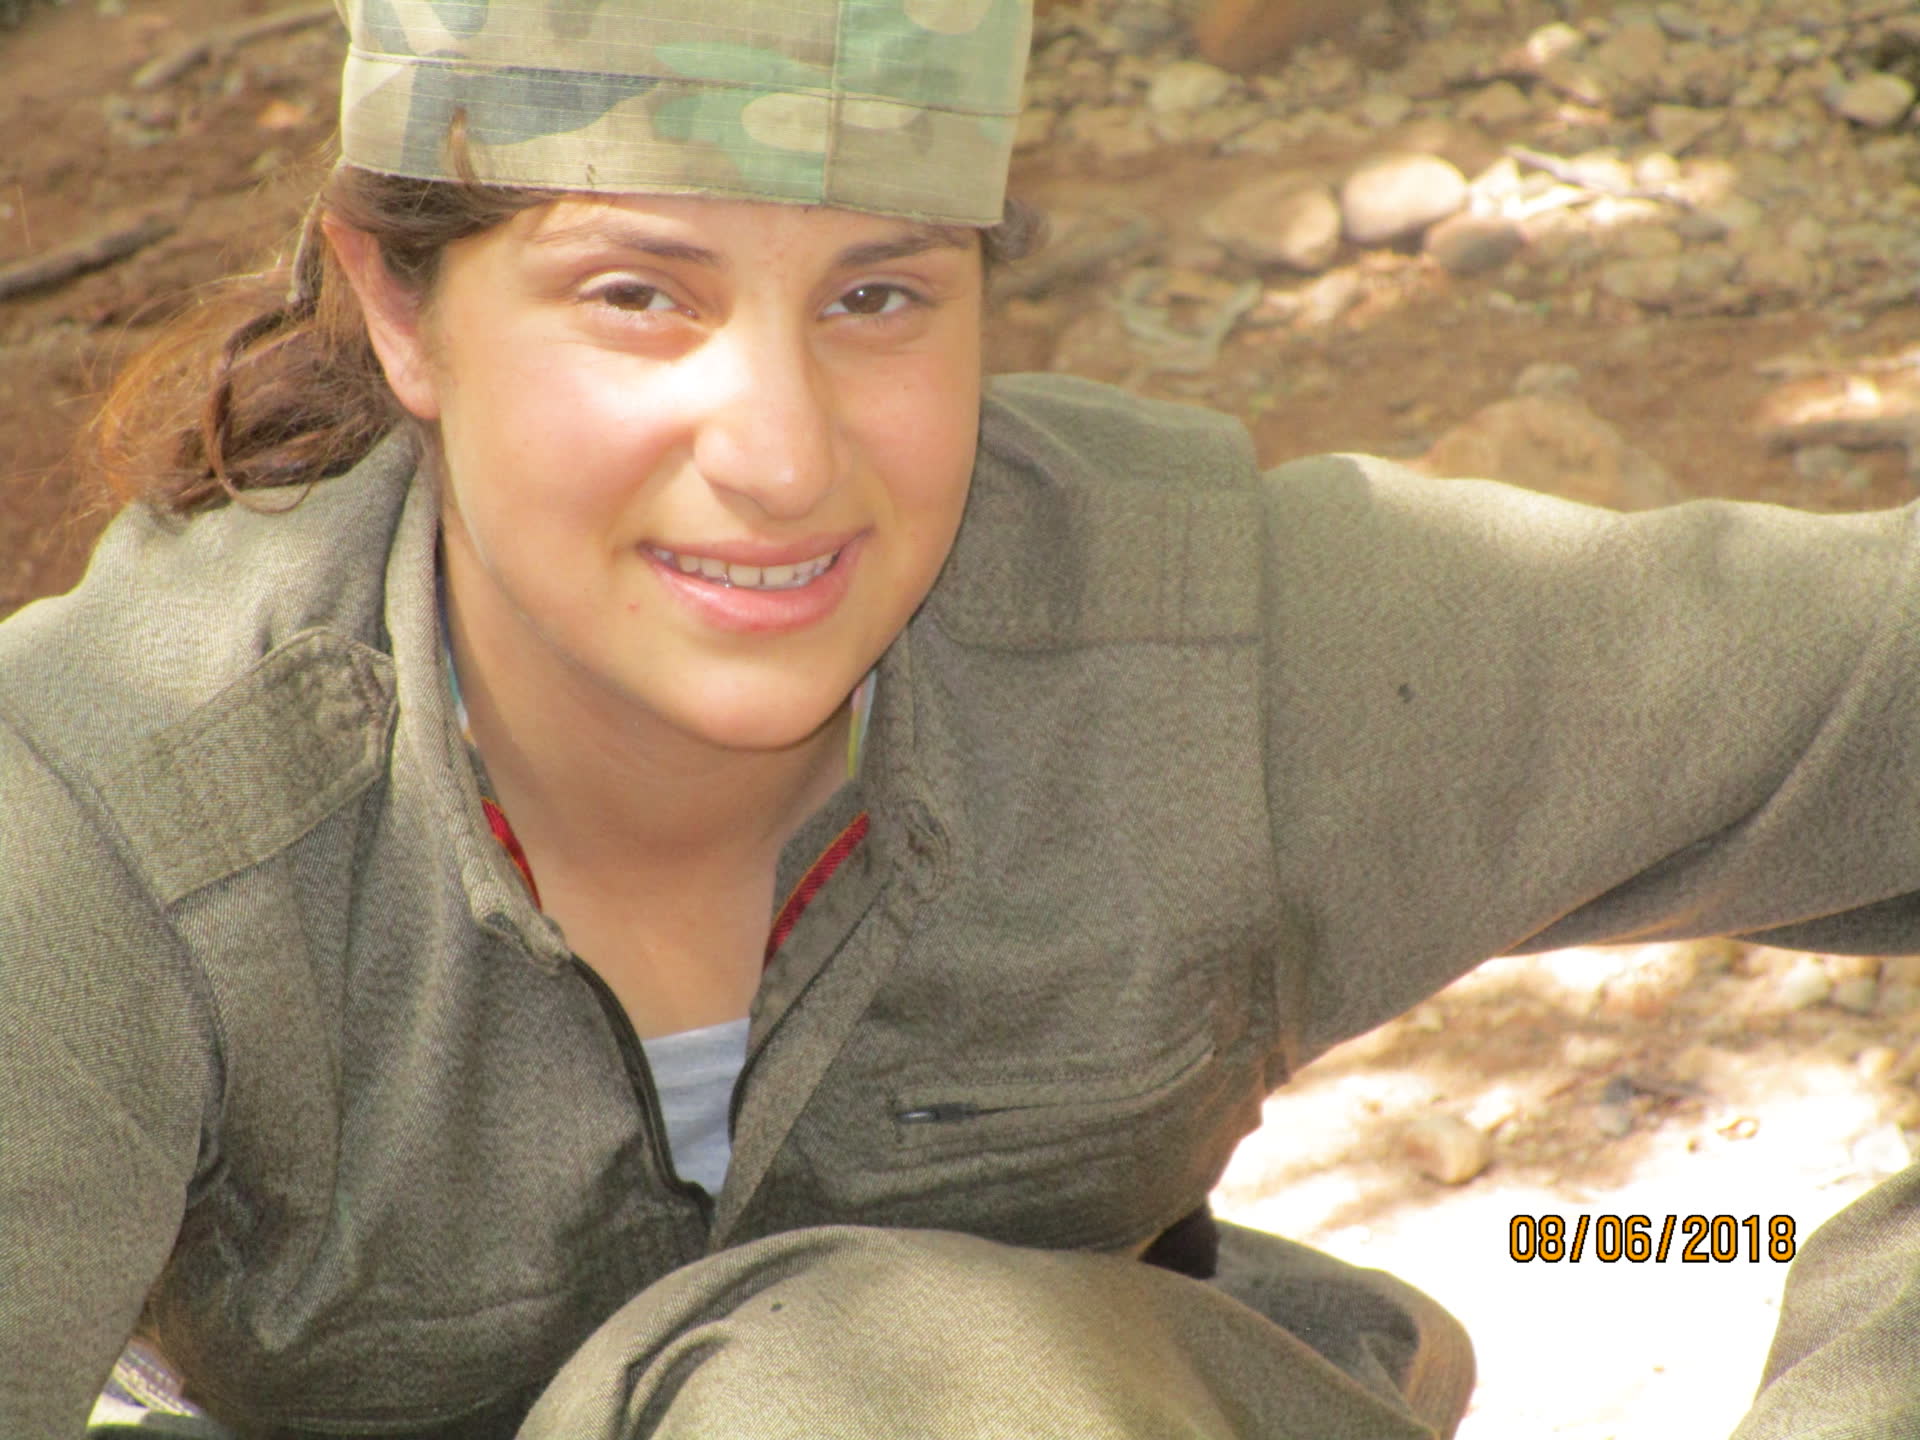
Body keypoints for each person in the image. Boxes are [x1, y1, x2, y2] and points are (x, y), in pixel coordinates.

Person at [6, 2, 1920, 1436]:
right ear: (402, 310)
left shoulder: (1186, 662)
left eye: (878, 296)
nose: (781, 455)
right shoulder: (110, 830)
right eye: (637, 294)